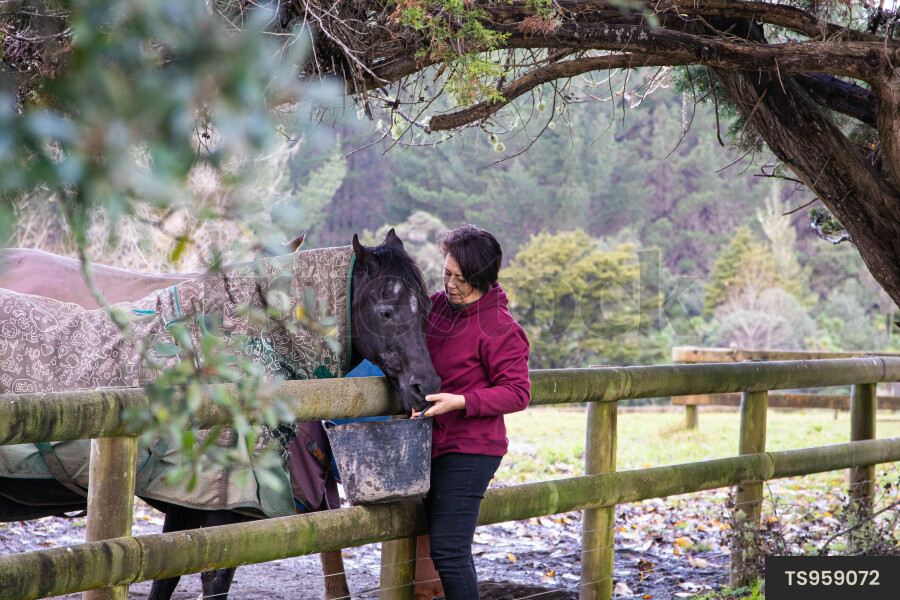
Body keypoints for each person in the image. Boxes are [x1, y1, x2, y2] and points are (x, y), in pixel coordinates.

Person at [411, 224, 531, 600]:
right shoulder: (434, 308)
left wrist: (460, 401)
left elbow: (517, 392)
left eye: (461, 279)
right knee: (429, 543)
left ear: (481, 278)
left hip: (472, 449)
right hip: (427, 442)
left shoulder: (500, 328)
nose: (451, 284)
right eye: (447, 273)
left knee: (449, 551)